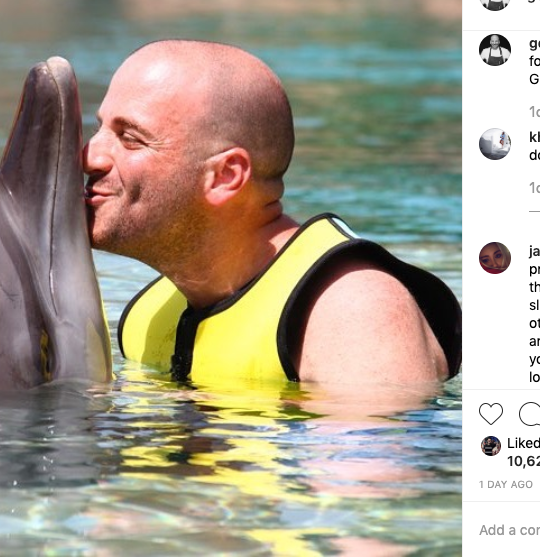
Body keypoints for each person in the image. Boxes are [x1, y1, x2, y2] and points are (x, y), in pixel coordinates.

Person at [82, 40, 461, 386]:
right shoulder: (149, 318)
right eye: (99, 128)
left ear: (226, 176)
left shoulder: (349, 315)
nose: (89, 156)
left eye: (130, 138)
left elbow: (380, 456)